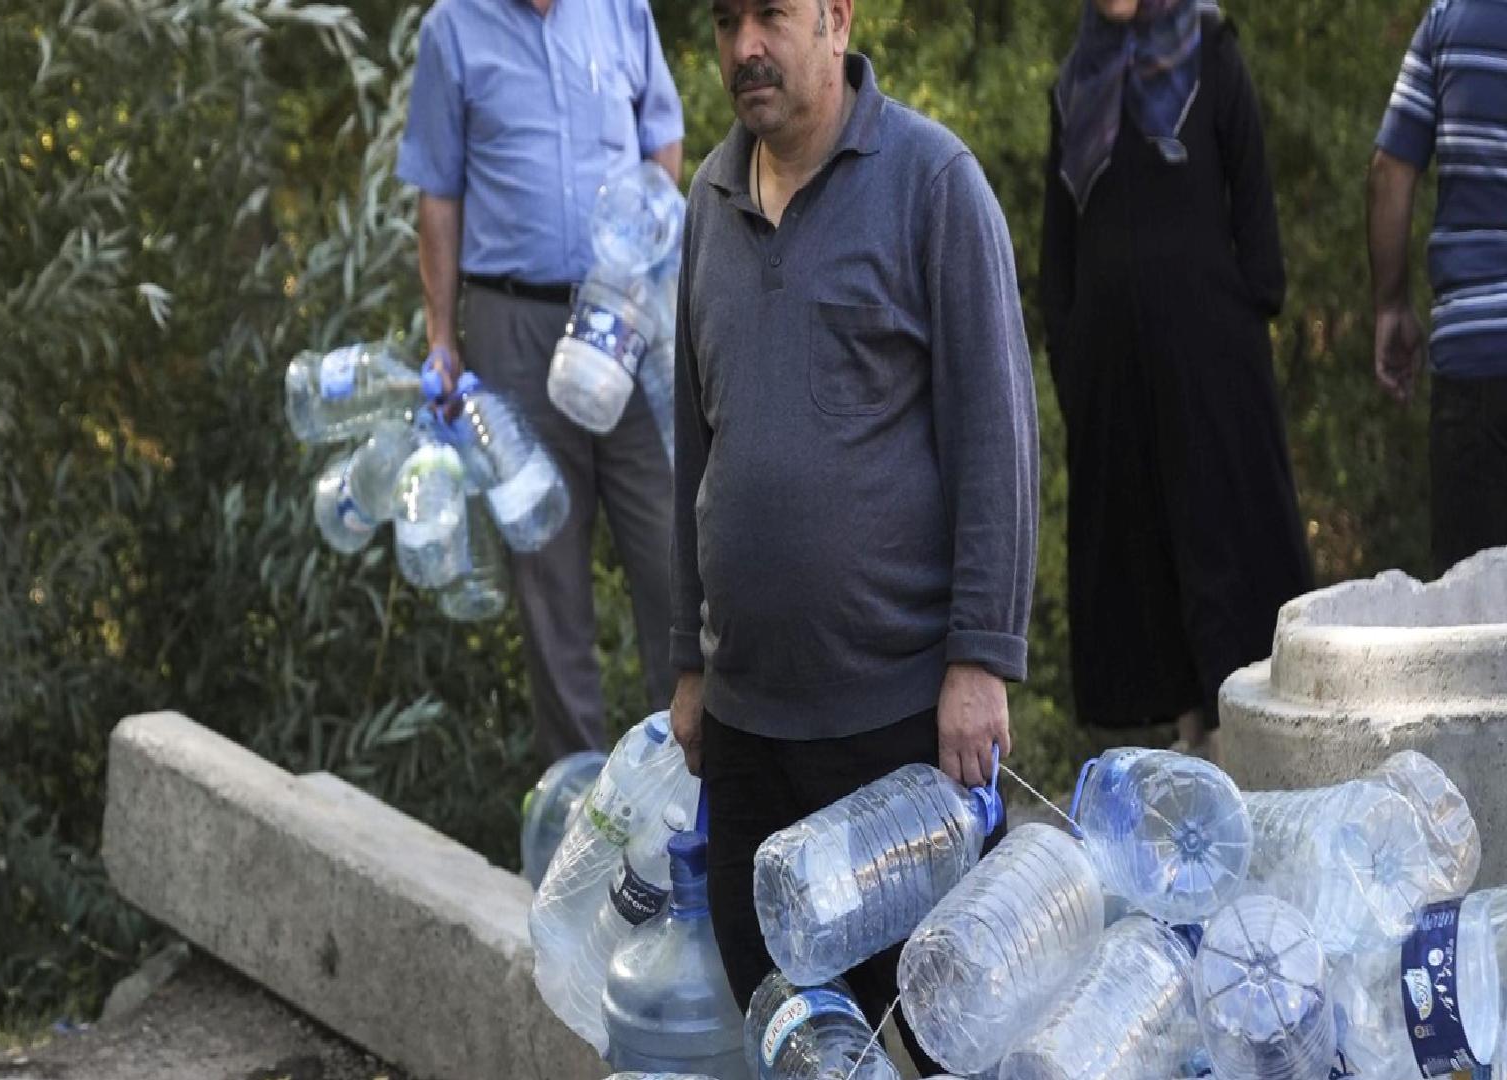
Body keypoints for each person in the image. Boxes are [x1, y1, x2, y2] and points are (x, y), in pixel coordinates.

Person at [671, 0, 1037, 1066]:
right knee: (794, 1037)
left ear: (836, 18)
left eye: (771, 14)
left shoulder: (933, 183)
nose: (746, 45)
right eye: (726, 20)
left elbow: (997, 438)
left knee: (936, 1035)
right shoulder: (707, 201)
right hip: (746, 727)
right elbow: (694, 448)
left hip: (897, 729)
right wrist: (685, 663)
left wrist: (981, 658)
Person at [395, 0, 685, 763]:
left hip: (621, 318)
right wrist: (442, 337)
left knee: (673, 553)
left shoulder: (622, 10)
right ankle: (582, 804)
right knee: (548, 579)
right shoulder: (452, 29)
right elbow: (438, 194)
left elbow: (663, 139)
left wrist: (644, 254)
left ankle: (693, 789)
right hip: (513, 323)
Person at [1039, 0, 1312, 760]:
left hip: (1210, 358)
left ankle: (1260, 758)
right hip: (1113, 375)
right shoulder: (1077, 80)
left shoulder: (1208, 47)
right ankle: (1199, 760)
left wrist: (1249, 307)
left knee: (1232, 552)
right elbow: (1059, 246)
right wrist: (1071, 352)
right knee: (1149, 569)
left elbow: (1250, 190)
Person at [1369, 0, 1507, 574]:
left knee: (1472, 604)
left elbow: (1390, 172)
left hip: (1474, 367)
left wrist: (1390, 305)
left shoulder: (1448, 21)